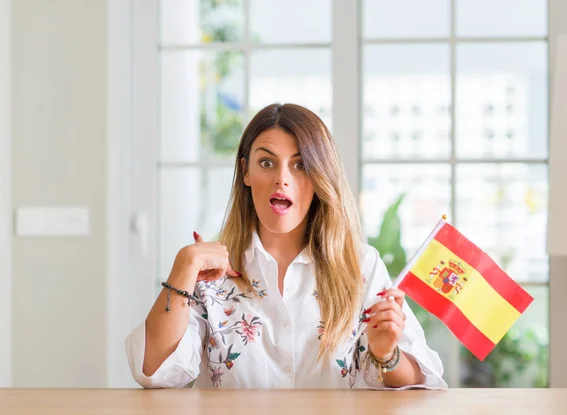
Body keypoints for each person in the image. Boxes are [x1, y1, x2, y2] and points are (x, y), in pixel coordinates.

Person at [125, 103, 447, 389]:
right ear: (245, 171)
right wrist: (183, 268)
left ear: (321, 176)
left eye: (300, 165)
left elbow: (421, 379)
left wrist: (385, 355)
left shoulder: (360, 265)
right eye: (267, 163)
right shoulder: (208, 270)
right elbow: (153, 371)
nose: (282, 178)